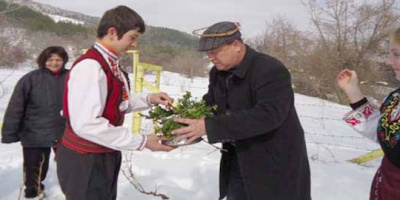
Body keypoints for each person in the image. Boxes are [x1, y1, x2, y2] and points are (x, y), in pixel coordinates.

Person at [172, 21, 311, 200]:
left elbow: (268, 115)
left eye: (214, 52)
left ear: (236, 45)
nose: (211, 58)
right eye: (207, 53)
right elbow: (211, 103)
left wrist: (209, 127)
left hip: (273, 159)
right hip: (238, 158)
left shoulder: (270, 69)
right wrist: (193, 118)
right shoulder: (218, 72)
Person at [56, 5, 175, 200]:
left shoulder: (111, 64)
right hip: (85, 159)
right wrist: (142, 141)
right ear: (112, 32)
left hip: (104, 154)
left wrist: (149, 98)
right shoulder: (91, 67)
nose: (134, 44)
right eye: (133, 37)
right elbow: (87, 123)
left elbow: (118, 104)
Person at [337, 27, 400, 200]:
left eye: (396, 55)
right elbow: (382, 132)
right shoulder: (395, 98)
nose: (388, 61)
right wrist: (353, 91)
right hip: (386, 186)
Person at [1, 46, 69, 198]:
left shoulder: (72, 77)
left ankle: (71, 191)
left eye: (58, 59)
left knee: (69, 165)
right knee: (35, 167)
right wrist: (9, 132)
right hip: (35, 131)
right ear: (43, 60)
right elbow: (16, 106)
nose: (54, 63)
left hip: (65, 130)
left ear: (64, 60)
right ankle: (33, 191)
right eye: (50, 59)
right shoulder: (30, 79)